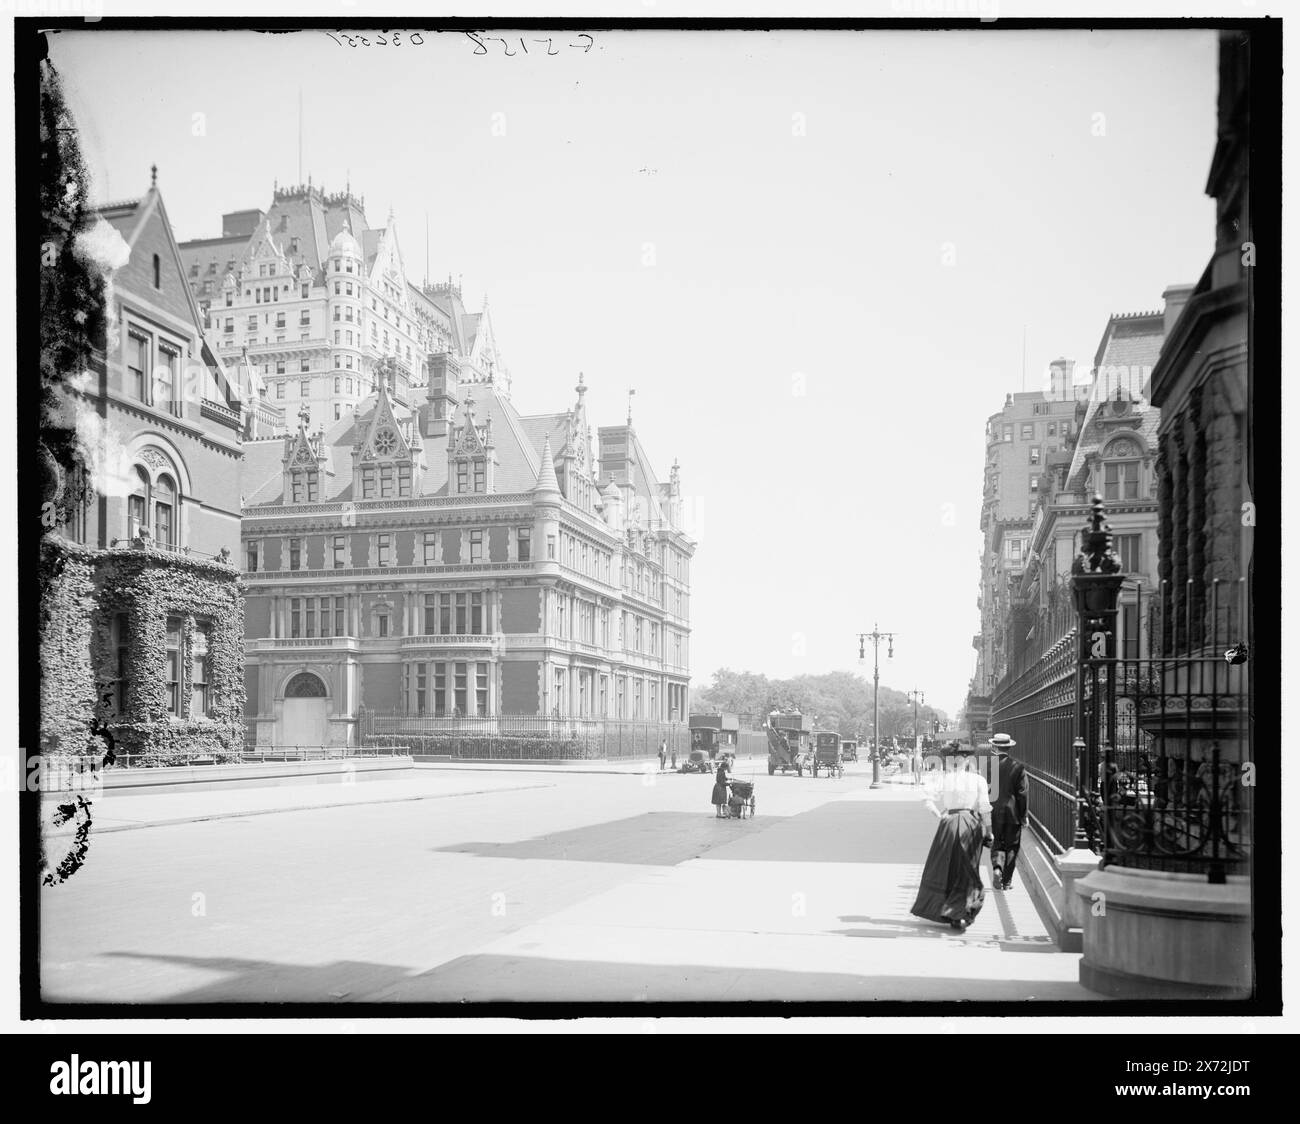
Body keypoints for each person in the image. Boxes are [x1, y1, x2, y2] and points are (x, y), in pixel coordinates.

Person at [910, 740, 993, 931]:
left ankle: (949, 910)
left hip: (948, 823)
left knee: (946, 867)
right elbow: (985, 809)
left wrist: (939, 815)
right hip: (970, 824)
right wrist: (989, 832)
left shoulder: (944, 779)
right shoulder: (978, 780)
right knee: (968, 868)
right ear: (966, 760)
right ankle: (961, 910)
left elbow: (926, 797)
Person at [988, 732, 1028, 891]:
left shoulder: (987, 765)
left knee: (996, 842)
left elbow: (985, 790)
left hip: (993, 811)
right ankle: (1007, 881)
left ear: (994, 746)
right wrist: (1024, 816)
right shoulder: (1018, 767)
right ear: (1009, 748)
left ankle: (997, 867)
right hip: (1012, 812)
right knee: (1012, 846)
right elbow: (1022, 794)